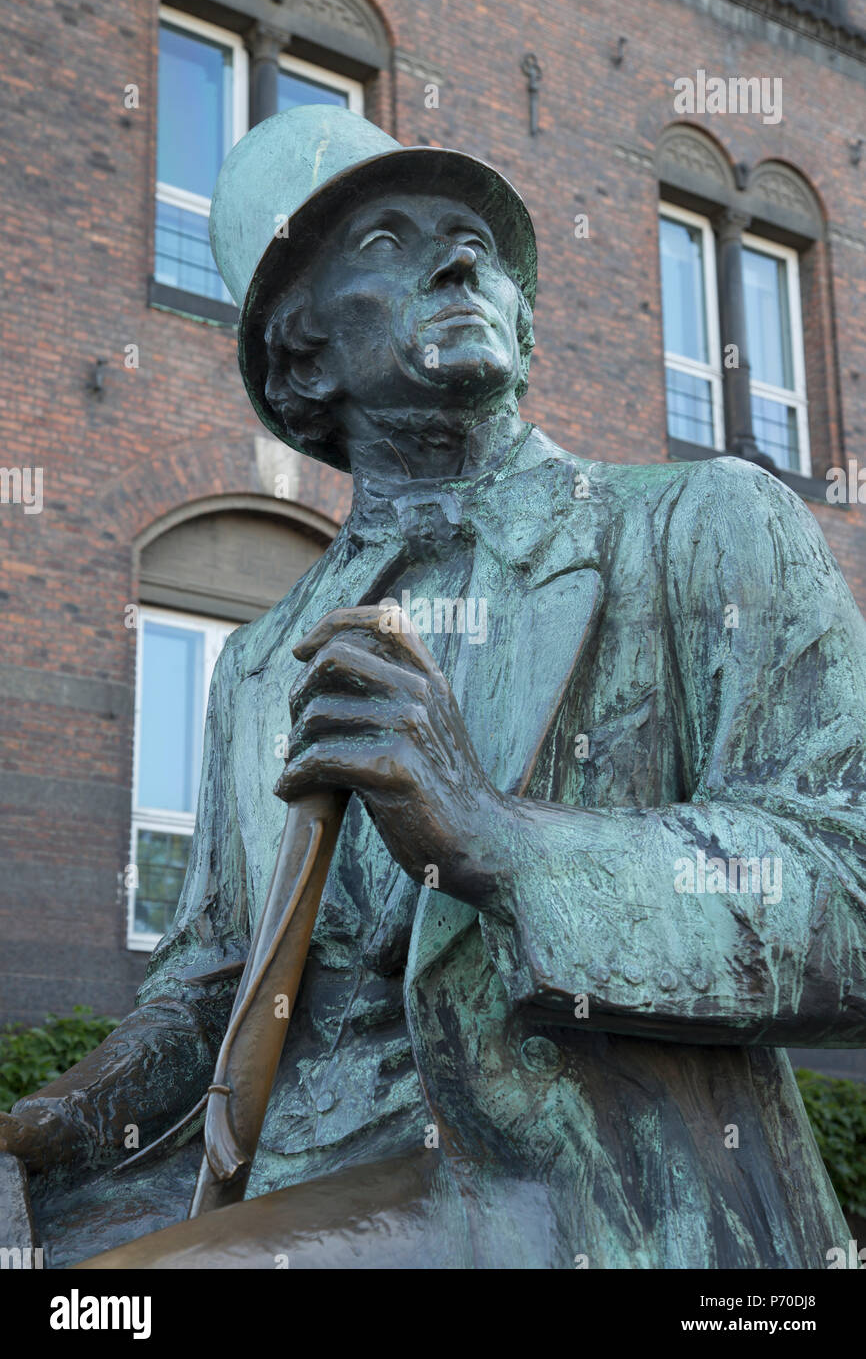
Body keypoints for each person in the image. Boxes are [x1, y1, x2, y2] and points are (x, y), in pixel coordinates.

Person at [4, 106, 866, 1269]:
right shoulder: (257, 666)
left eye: (477, 241)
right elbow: (210, 980)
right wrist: (58, 1124)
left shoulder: (701, 528)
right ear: (300, 349)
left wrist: (494, 837)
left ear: (522, 315)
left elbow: (846, 886)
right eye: (382, 242)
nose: (460, 257)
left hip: (572, 1187)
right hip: (296, 1177)